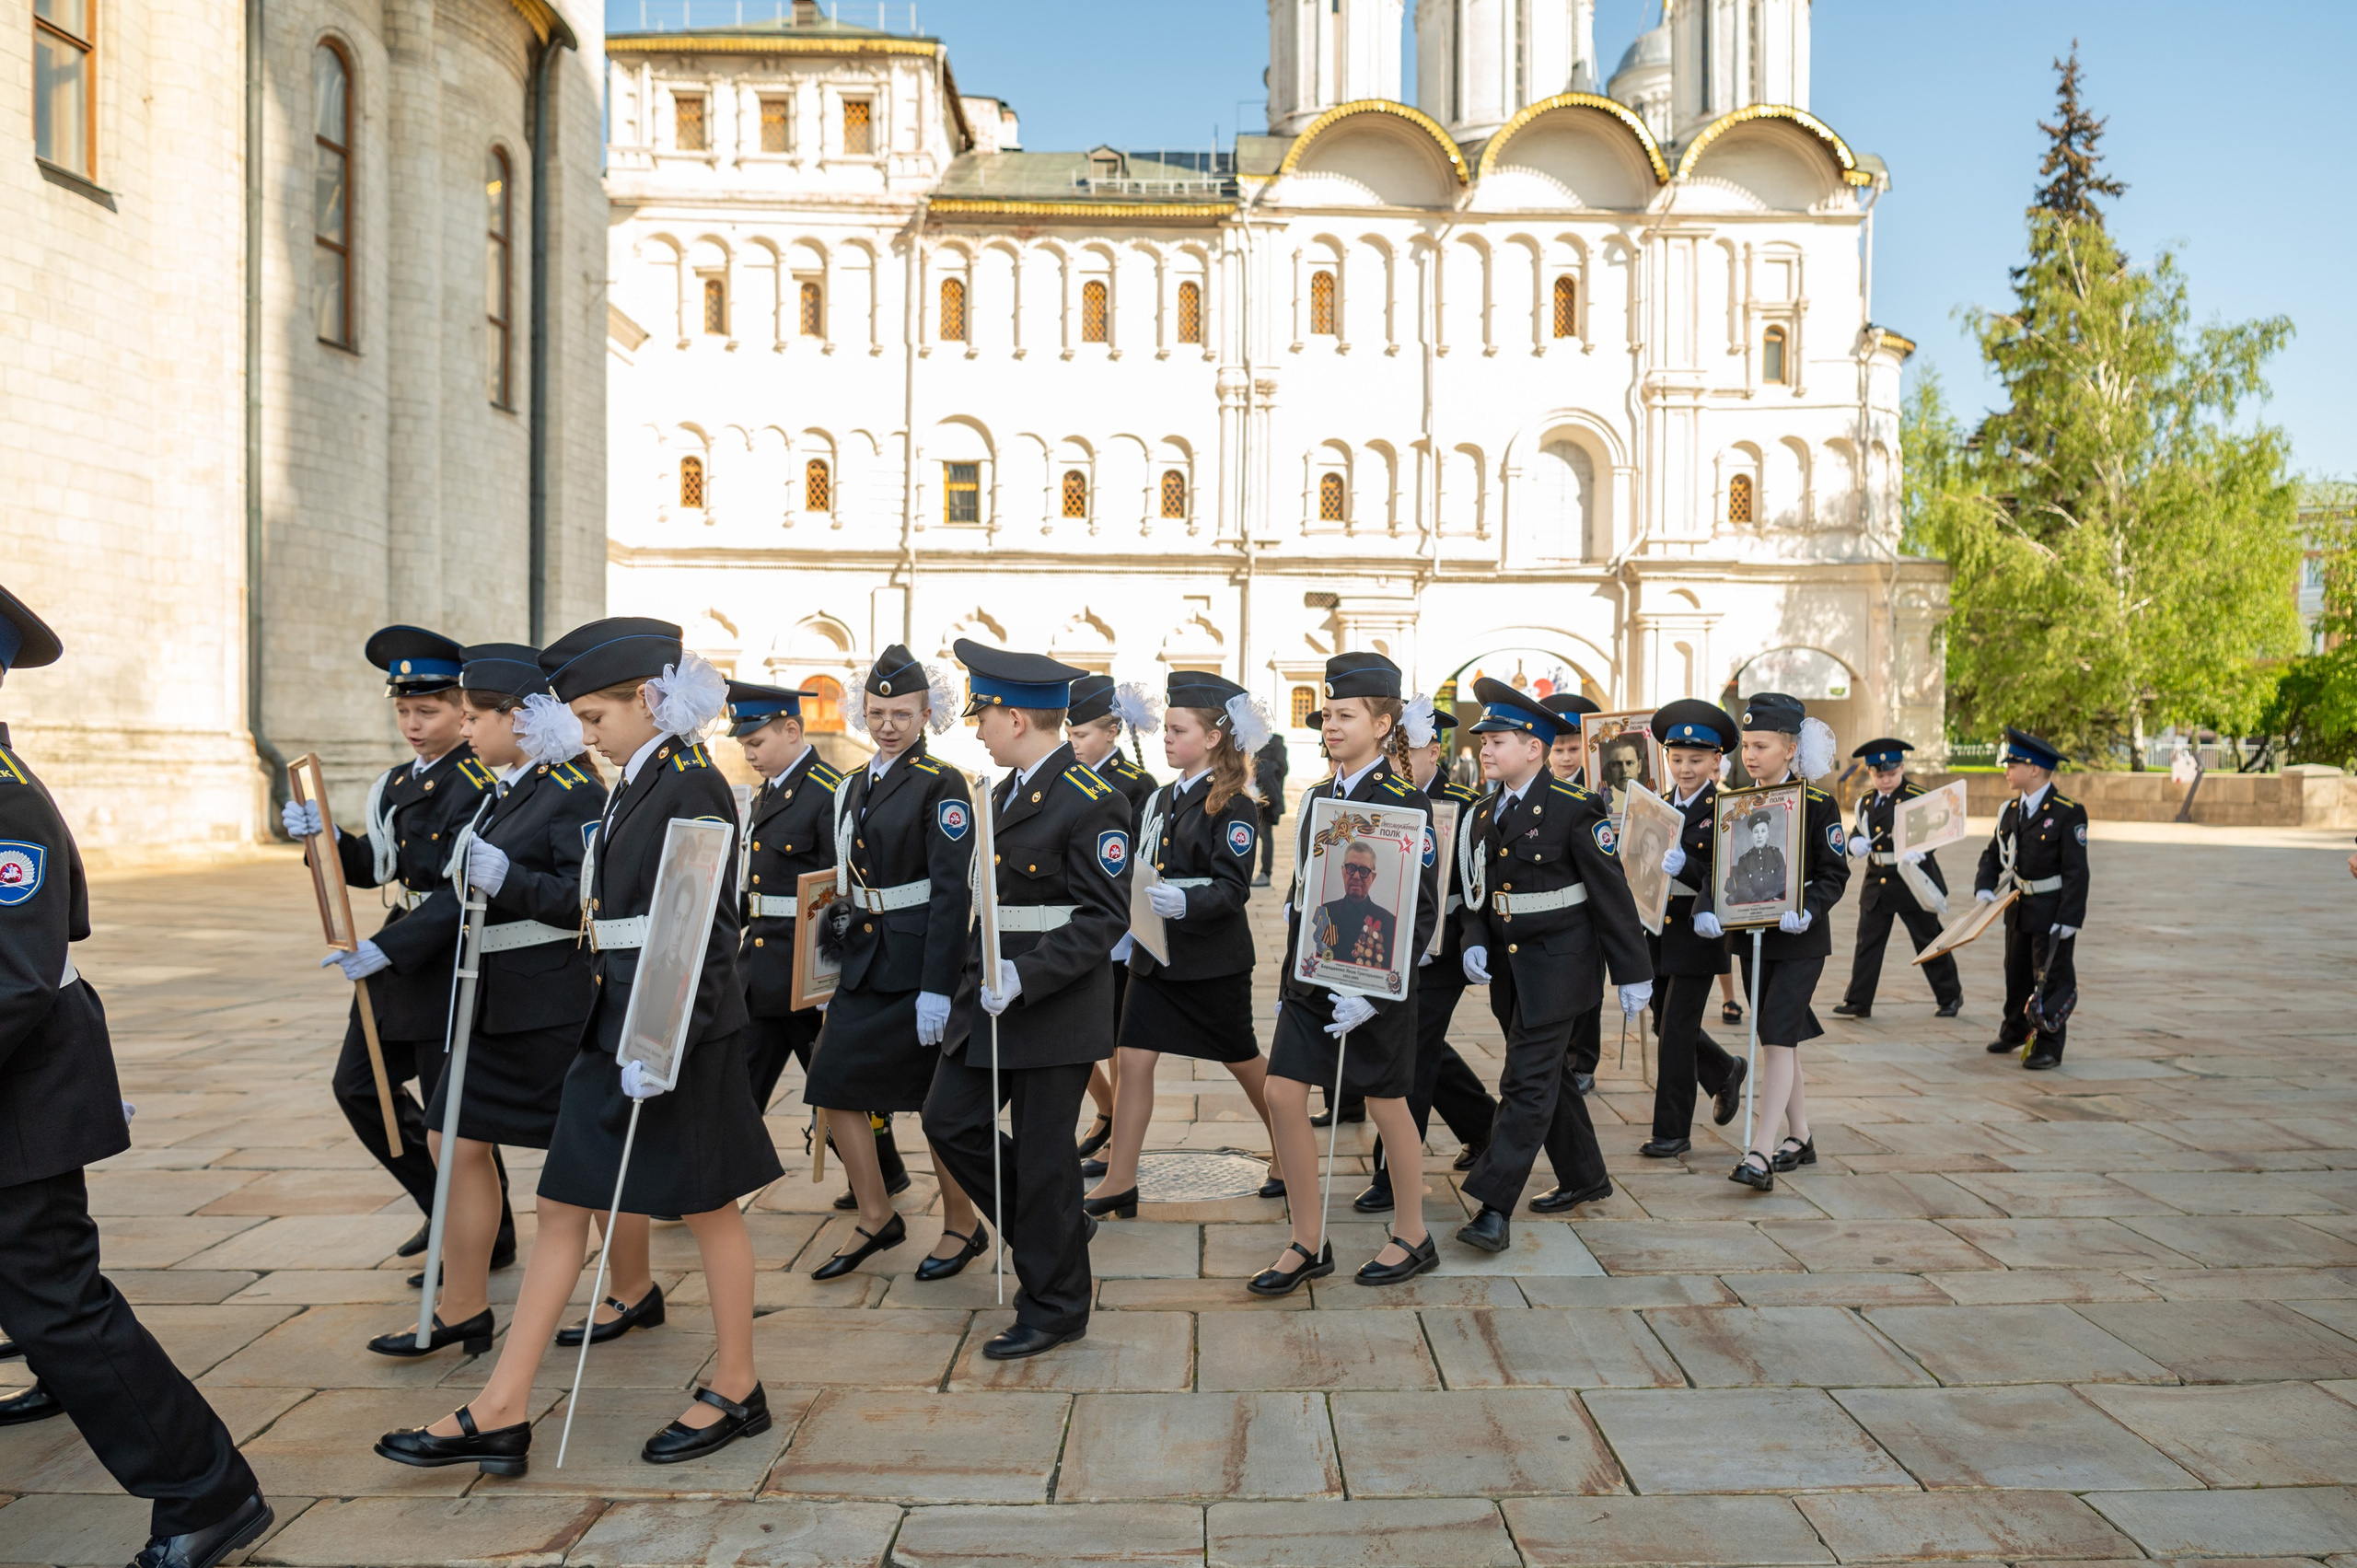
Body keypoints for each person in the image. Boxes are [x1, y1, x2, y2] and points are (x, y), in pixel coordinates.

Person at [377, 617, 783, 1475]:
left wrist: (659, 1043)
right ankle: (503, 1405)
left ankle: (739, 1384)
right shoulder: (639, 777)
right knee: (563, 1202)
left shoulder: (689, 782)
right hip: (620, 1026)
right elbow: (601, 913)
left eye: (596, 717)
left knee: (709, 1206)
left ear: (647, 700)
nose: (584, 736)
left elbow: (701, 928)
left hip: (673, 1033)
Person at [0, 586, 273, 1568]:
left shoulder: (1, 794)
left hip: (19, 1097)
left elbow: (15, 977)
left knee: (57, 1302)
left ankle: (207, 1489)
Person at [362, 645, 605, 1361]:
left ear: (519, 719)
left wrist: (513, 883)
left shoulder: (574, 790)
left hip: (548, 1006)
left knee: (580, 1154)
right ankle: (462, 1306)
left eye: (474, 717)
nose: (465, 731)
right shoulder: (513, 787)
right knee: (452, 1139)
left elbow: (584, 901)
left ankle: (630, 1283)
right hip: (497, 1003)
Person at [923, 640, 1129, 1357]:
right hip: (989, 998)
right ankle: (1056, 1228)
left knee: (1045, 1159)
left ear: (1016, 718)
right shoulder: (1001, 792)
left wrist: (1027, 975)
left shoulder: (1092, 800)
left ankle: (1057, 1302)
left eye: (984, 714)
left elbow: (1104, 917)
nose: (976, 727)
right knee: (948, 1121)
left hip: (1053, 1004)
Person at [288, 627, 509, 1270]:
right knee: (358, 1086)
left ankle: (476, 1233)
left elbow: (463, 891)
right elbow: (376, 864)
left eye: (428, 710)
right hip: (396, 955)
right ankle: (443, 1210)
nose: (412, 724)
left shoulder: (480, 783)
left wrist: (390, 949)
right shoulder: (392, 784)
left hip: (445, 957)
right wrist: (325, 837)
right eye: (403, 710)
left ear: (461, 708)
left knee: (452, 1111)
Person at [1251, 652, 1442, 1294]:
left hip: (1373, 986)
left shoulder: (1404, 802)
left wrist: (1378, 992)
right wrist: (1289, 983)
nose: (1331, 724)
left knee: (1388, 1104)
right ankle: (1307, 1239)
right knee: (1282, 1092)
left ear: (1385, 723)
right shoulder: (1315, 798)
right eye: (1326, 714)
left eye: (1346, 714)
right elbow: (1307, 895)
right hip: (1312, 977)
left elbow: (1420, 910)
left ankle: (1413, 1233)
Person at [802, 646, 984, 1280]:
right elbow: (841, 884)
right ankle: (877, 1213)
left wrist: (939, 987)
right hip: (860, 963)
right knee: (831, 1084)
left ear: (925, 713)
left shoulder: (941, 781)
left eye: (900, 713)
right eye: (876, 712)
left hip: (915, 966)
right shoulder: (851, 784)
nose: (886, 724)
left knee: (934, 1104)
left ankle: (962, 1223)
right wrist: (826, 969)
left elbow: (951, 890)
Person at [1453, 679, 1651, 1254]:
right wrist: (1473, 936)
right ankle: (1585, 1175)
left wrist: (1634, 972)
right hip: (1512, 970)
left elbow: (1611, 894)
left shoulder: (1573, 807)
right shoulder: (1484, 812)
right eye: (1484, 740)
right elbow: (1478, 890)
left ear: (1534, 747)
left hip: (1562, 968)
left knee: (1525, 1083)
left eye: (1497, 740)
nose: (1485, 749)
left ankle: (1494, 1206)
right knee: (1551, 1080)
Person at [1086, 671, 1278, 1218]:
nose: (1166, 739)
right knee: (1134, 1057)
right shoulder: (1164, 796)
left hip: (1209, 961)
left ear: (1212, 738)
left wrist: (1186, 903)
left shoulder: (1233, 803)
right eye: (1167, 729)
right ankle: (1122, 1179)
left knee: (1242, 1059)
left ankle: (1288, 1153)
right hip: (1156, 954)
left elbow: (1233, 887)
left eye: (1177, 730)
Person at [1698, 692, 1849, 1192]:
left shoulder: (1818, 804)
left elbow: (1834, 873)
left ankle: (1760, 1151)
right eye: (1746, 746)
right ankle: (1800, 1137)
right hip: (1754, 942)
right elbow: (1722, 866)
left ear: (1790, 748)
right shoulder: (1738, 804)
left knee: (1777, 1039)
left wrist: (1809, 907)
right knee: (1780, 1040)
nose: (1751, 755)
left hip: (1800, 942)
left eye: (1761, 745)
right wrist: (1706, 908)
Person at [1356, 706, 1497, 1212]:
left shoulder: (1464, 804)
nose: (1394, 762)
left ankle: (1392, 1173)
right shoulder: (1379, 797)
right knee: (1424, 1046)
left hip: (1441, 950)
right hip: (1383, 940)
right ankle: (1484, 1123)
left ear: (1433, 751)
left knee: (1410, 1050)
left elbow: (1475, 881)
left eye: (1404, 753)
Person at [727, 682, 846, 1108]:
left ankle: (882, 1174)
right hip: (761, 975)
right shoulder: (768, 792)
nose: (749, 755)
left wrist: (833, 977)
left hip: (806, 979)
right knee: (735, 1096)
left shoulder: (829, 790)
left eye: (756, 742)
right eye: (744, 745)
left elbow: (839, 893)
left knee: (841, 1104)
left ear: (792, 730)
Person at [1640, 700, 1747, 1157]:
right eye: (1677, 758)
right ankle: (1724, 1069)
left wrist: (1688, 868)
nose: (1685, 768)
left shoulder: (1725, 809)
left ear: (1716, 761)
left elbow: (1730, 871)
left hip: (1700, 931)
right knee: (1666, 1026)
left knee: (1678, 1032)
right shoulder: (1660, 806)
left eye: (1696, 760)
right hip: (1660, 931)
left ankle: (1671, 1131)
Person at [1065, 674, 1156, 1167]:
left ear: (1112, 732)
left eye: (1080, 735)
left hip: (1116, 931)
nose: (1072, 743)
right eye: (1070, 734)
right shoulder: (1069, 776)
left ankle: (1119, 1131)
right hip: (1072, 922)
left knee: (1118, 1037)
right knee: (1081, 1031)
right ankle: (1107, 1109)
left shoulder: (1136, 785)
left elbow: (1136, 865)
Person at [1972, 726, 2089, 1070]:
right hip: (2018, 904)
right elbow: (1993, 853)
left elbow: (2076, 872)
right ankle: (2015, 1029)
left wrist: (2069, 918)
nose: (2006, 770)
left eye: (2013, 764)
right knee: (2016, 971)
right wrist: (1984, 886)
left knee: (2051, 976)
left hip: (2052, 908)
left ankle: (2049, 1045)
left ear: (2034, 768)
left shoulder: (2068, 812)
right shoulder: (2011, 809)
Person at [1833, 738, 1963, 1021]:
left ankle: (1950, 995)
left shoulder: (1918, 797)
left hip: (1910, 878)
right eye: (1880, 775)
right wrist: (1854, 843)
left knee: (1927, 938)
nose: (1886, 779)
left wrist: (1922, 850)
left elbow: (1938, 828)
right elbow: (1858, 830)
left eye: (1891, 773)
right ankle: (1858, 1000)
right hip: (1877, 879)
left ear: (1902, 768)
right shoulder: (1866, 801)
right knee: (1868, 941)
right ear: (1870, 773)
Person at [1252, 731, 1290, 887]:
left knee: (1265, 835)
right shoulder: (1253, 744)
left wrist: (1263, 768)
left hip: (1268, 799)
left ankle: (1265, 873)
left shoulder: (1277, 745)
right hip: (1251, 797)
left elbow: (1282, 769)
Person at [1540, 691, 1597, 784]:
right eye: (1558, 750)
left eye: (1573, 749)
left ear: (1585, 747)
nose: (1566, 758)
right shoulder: (1534, 786)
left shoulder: (1595, 787)